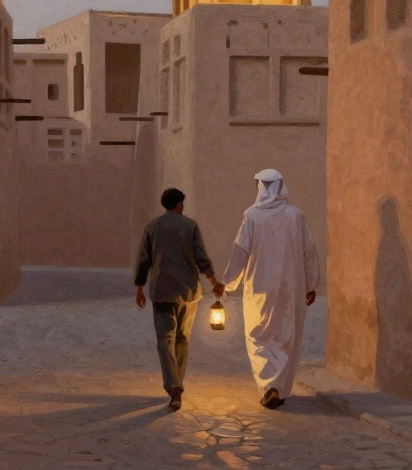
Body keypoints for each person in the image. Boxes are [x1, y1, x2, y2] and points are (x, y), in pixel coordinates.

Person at [221, 169, 320, 409]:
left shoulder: (252, 216)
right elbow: (309, 252)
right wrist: (311, 283)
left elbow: (240, 251)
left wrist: (227, 283)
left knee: (258, 335)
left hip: (259, 287)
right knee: (287, 335)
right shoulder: (295, 215)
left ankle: (269, 386)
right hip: (291, 287)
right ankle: (279, 387)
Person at [134, 187, 225, 410]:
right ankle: (178, 385)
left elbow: (144, 260)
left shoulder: (152, 227)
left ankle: (174, 387)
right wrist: (214, 282)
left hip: (162, 290)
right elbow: (202, 259)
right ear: (179, 204)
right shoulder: (190, 226)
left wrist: (139, 287)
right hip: (188, 293)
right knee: (182, 338)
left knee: (165, 340)